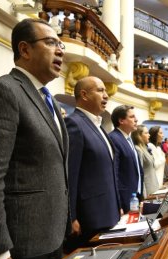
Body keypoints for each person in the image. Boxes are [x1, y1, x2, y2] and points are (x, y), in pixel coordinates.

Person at [0, 18, 68, 259]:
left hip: (54, 238)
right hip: (20, 247)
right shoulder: (5, 91)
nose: (60, 50)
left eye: (61, 44)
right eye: (50, 42)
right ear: (25, 50)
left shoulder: (50, 101)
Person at [65, 76, 120, 249]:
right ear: (84, 95)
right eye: (100, 90)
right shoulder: (74, 123)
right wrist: (71, 217)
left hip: (109, 212)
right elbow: (70, 174)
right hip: (90, 218)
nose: (106, 95)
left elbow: (108, 170)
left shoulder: (99, 125)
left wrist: (117, 204)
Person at [109, 105, 143, 213]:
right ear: (121, 120)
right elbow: (115, 174)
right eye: (132, 117)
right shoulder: (114, 138)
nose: (136, 120)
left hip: (134, 195)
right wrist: (118, 203)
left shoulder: (128, 138)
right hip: (124, 199)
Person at [131, 125, 159, 196]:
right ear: (139, 136)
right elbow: (140, 174)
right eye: (146, 133)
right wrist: (144, 195)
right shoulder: (138, 150)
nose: (149, 135)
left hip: (154, 186)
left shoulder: (145, 148)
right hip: (147, 189)